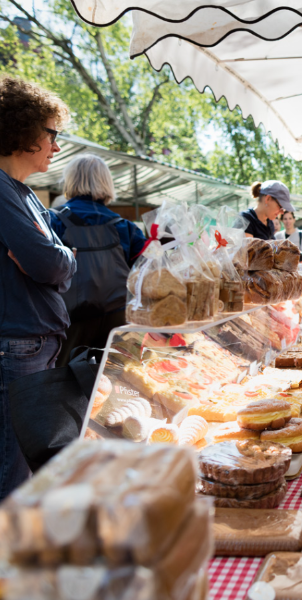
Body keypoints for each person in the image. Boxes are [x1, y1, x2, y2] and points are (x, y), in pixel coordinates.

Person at [0, 77, 77, 499]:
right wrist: (59, 259)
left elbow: (59, 265)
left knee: (25, 469)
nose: (57, 146)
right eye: (52, 134)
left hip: (34, 344)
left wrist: (61, 259)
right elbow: (48, 262)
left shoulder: (24, 193)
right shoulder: (3, 191)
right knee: (12, 472)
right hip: (17, 347)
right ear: (22, 129)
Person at [50, 154, 146, 366]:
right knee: (115, 375)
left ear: (70, 181)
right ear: (106, 183)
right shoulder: (125, 227)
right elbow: (147, 271)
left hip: (70, 320)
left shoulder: (53, 221)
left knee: (64, 378)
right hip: (118, 319)